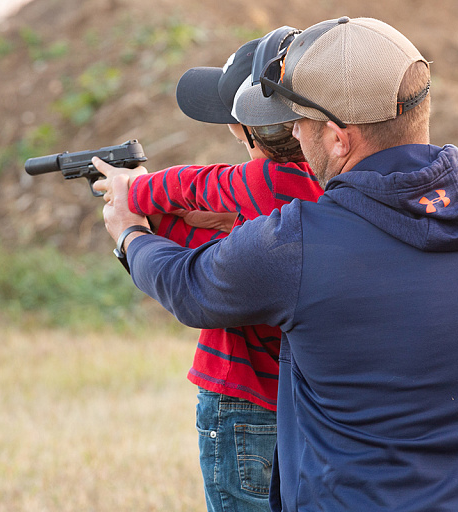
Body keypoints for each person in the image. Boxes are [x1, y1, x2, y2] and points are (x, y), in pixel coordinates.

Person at [97, 16, 458, 512]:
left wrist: (130, 234)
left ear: (337, 137)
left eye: (297, 122)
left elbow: (188, 286)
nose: (291, 133)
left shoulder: (298, 244)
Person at [95, 27, 324, 512]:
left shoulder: (256, 179)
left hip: (237, 400)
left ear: (248, 128)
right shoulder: (321, 189)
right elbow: (226, 254)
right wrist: (162, 221)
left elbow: (197, 186)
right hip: (301, 410)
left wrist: (134, 196)